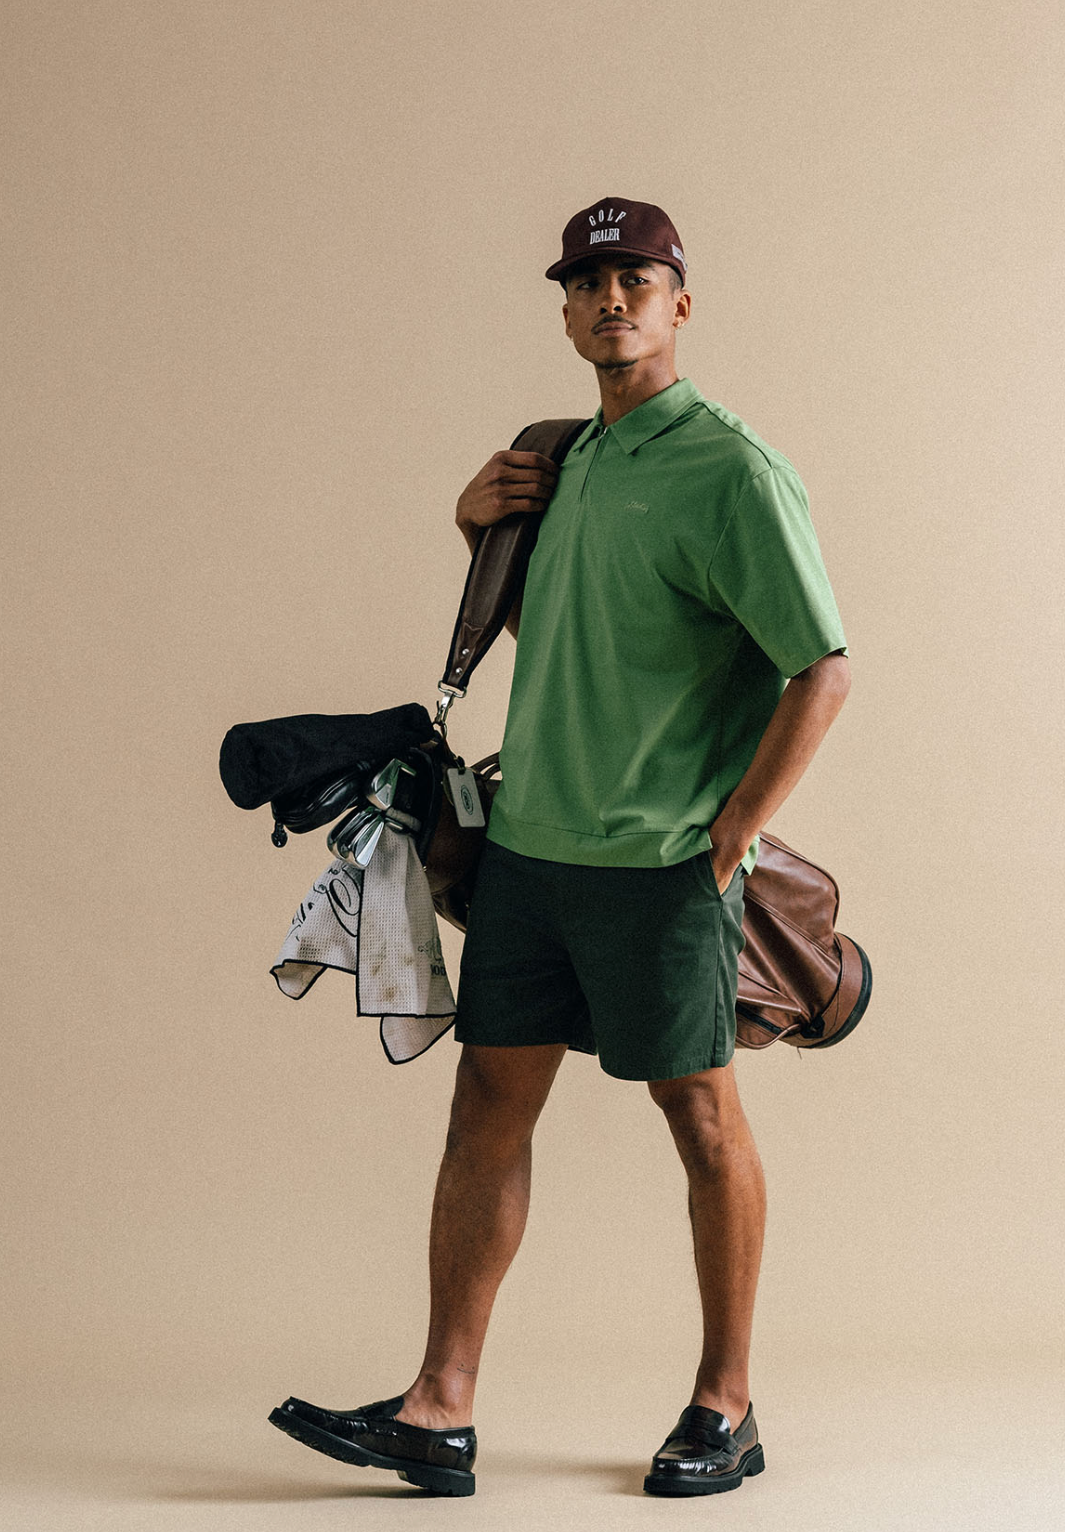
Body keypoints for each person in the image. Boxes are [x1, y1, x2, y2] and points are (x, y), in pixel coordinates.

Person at [270, 197, 852, 1499]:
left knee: (701, 1115)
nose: (611, 302)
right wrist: (477, 531)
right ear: (566, 309)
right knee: (488, 1105)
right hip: (531, 849)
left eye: (636, 279)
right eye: (587, 284)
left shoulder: (733, 468)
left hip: (665, 867)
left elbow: (821, 668)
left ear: (681, 303)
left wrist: (733, 836)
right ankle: (438, 1410)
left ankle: (727, 1404)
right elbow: (585, 651)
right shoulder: (564, 461)